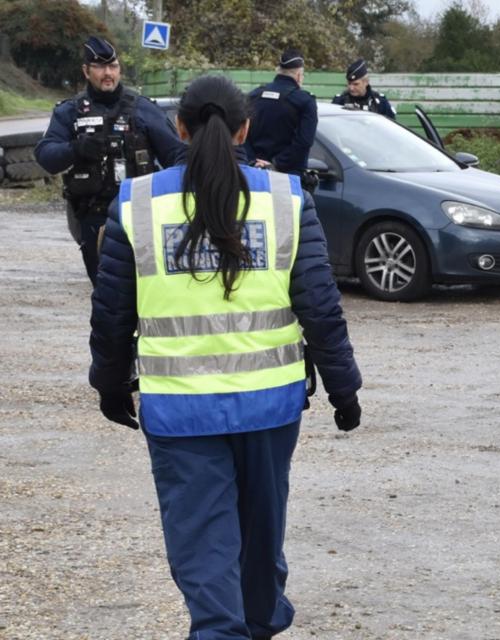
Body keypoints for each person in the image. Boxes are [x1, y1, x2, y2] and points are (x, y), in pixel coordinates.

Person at [88, 75, 363, 639]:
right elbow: (320, 306)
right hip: (270, 407)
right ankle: (257, 624)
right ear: (245, 129)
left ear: (180, 129)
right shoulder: (288, 200)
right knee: (262, 534)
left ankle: (221, 630)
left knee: (203, 544)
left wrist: (110, 384)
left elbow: (112, 313)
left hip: (180, 413)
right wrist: (343, 387)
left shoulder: (136, 205)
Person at [35, 35, 186, 284]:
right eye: (100, 67)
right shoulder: (70, 112)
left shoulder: (142, 109)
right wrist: (76, 148)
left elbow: (177, 155)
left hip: (141, 215)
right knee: (106, 292)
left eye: (113, 66)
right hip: (95, 217)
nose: (108, 73)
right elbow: (46, 156)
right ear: (86, 70)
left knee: (147, 288)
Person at [244, 48, 318, 175]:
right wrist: (275, 164)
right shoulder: (305, 101)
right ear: (299, 75)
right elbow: (304, 142)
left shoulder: (253, 96)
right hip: (287, 176)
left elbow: (242, 134)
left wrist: (254, 162)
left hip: (252, 173)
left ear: (279, 71)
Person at [332, 58, 396, 120]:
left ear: (366, 82)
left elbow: (391, 126)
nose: (351, 88)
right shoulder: (339, 101)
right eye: (349, 83)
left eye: (355, 84)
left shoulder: (380, 102)